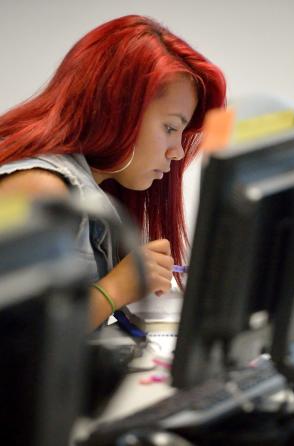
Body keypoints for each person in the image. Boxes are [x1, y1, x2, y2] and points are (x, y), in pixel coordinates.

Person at [0, 15, 226, 329]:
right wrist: (117, 287)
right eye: (170, 127)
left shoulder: (90, 189)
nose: (177, 152)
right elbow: (21, 339)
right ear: (117, 110)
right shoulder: (37, 189)